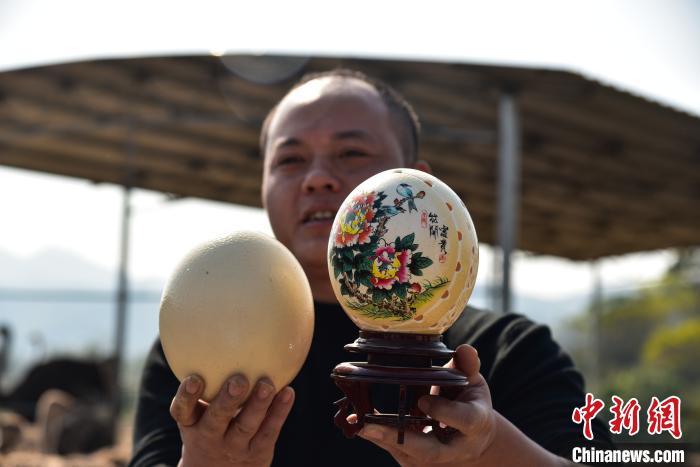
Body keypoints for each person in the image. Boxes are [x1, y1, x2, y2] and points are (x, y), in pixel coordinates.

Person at [129, 69, 613, 466]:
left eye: (352, 153)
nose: (318, 178)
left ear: (420, 185)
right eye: (290, 159)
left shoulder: (506, 353)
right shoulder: (198, 349)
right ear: (263, 185)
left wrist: (488, 450)